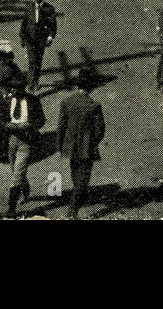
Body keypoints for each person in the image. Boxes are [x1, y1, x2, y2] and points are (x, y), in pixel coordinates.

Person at [55, 66, 105, 219]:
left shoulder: (66, 102)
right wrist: (94, 142)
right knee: (83, 180)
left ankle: (79, 197)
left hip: (70, 146)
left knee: (76, 174)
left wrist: (60, 145)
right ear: (91, 87)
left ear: (77, 85)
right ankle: (72, 210)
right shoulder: (94, 105)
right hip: (86, 147)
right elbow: (100, 129)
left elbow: (61, 127)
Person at [2, 72, 45, 217]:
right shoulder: (7, 101)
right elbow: (0, 118)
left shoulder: (33, 101)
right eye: (12, 88)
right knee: (15, 170)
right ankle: (25, 188)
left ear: (23, 88)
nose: (13, 91)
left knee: (16, 176)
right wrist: (7, 125)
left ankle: (11, 208)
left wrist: (29, 126)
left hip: (26, 142)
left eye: (17, 88)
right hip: (11, 140)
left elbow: (41, 120)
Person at [19, 0, 57, 92]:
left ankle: (35, 81)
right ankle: (31, 83)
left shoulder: (49, 9)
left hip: (41, 40)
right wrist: (22, 37)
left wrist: (50, 36)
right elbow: (24, 24)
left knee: (38, 61)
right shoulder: (29, 8)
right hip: (29, 39)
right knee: (32, 61)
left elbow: (53, 25)